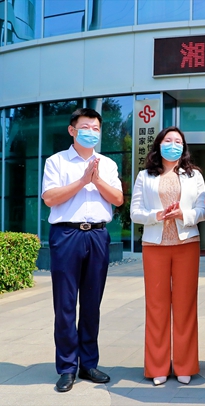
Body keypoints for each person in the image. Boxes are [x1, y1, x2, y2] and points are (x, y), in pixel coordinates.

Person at [41, 108, 124, 392]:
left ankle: (88, 363)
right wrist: (82, 181)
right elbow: (50, 198)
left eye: (96, 128)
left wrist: (97, 179)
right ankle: (67, 367)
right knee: (65, 304)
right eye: (85, 127)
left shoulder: (107, 164)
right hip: (67, 235)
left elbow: (118, 198)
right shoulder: (57, 161)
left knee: (91, 304)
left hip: (97, 235)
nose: (91, 132)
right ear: (72, 130)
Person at [130, 126, 205, 386]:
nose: (173, 145)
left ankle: (185, 365)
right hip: (154, 245)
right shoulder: (145, 176)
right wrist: (157, 215)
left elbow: (202, 211)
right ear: (159, 145)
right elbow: (135, 212)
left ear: (183, 147)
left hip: (187, 243)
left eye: (178, 141)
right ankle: (157, 366)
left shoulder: (194, 175)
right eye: (168, 140)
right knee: (156, 306)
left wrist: (183, 215)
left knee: (186, 305)